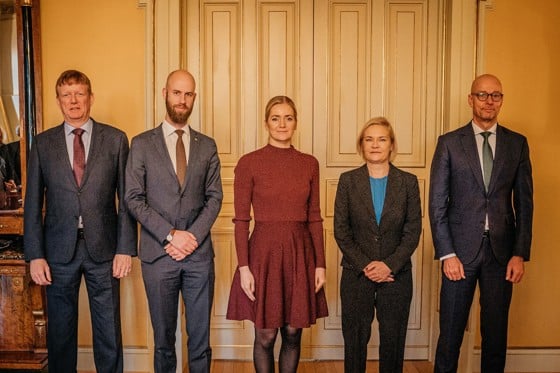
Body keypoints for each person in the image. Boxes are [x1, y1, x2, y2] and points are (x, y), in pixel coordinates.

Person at [24, 69, 137, 373]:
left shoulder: (115, 140)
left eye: (79, 94)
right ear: (59, 101)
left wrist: (125, 248)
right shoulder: (43, 144)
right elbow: (33, 204)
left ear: (90, 97)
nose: (73, 101)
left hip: (105, 250)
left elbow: (126, 199)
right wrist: (35, 255)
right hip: (58, 253)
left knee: (108, 332)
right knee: (60, 334)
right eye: (66, 95)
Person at [429, 74, 533, 373]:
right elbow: (437, 203)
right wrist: (447, 253)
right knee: (450, 334)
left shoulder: (517, 144)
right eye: (482, 95)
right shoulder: (449, 143)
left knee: (496, 336)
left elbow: (525, 204)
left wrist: (519, 253)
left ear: (501, 100)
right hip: (458, 254)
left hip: (502, 255)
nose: (489, 101)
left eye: (496, 95)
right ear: (470, 99)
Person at [125, 69, 223, 373]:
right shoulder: (141, 144)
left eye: (188, 94)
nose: (182, 100)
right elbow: (133, 198)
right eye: (177, 93)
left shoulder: (207, 145)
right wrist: (171, 236)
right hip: (158, 256)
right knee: (164, 340)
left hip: (198, 256)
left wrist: (190, 237)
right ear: (165, 93)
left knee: (200, 339)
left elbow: (214, 197)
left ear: (194, 98)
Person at [226, 95, 328, 373]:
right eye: (275, 118)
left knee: (293, 333)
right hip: (263, 254)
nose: (282, 124)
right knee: (266, 334)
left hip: (300, 253)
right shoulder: (249, 163)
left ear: (296, 123)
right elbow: (241, 219)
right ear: (266, 123)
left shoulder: (309, 163)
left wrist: (320, 263)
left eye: (288, 118)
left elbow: (315, 217)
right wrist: (244, 267)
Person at [333, 117, 422, 373]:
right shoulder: (348, 181)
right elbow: (342, 230)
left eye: (382, 139)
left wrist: (389, 266)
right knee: (355, 344)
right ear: (361, 145)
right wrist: (367, 266)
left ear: (391, 145)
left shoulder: (408, 182)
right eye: (369, 139)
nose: (375, 145)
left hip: (396, 276)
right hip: (356, 275)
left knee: (393, 344)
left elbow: (412, 231)